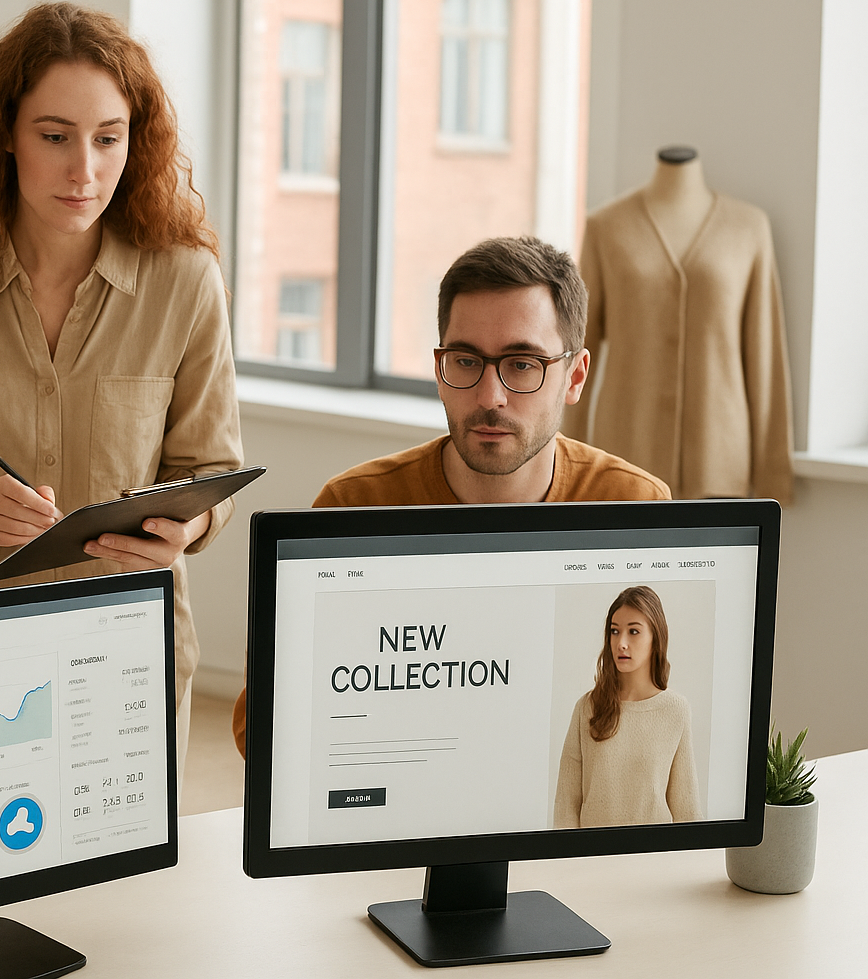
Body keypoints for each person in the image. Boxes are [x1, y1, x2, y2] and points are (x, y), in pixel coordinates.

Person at [0, 2, 242, 756]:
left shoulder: (186, 281)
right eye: (55, 137)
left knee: (131, 876)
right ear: (7, 136)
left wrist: (189, 526)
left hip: (131, 646)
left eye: (108, 139)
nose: (85, 170)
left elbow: (211, 470)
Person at [232, 235, 671, 755]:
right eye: (466, 362)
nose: (490, 397)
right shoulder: (355, 505)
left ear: (573, 377)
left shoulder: (633, 504)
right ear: (440, 371)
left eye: (522, 364)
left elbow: (654, 706)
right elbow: (260, 732)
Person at [554, 585, 701, 827]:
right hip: (594, 858)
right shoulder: (587, 707)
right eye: (614, 631)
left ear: (656, 638)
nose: (621, 643)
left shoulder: (675, 709)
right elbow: (566, 805)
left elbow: (686, 809)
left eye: (634, 631)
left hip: (654, 857)